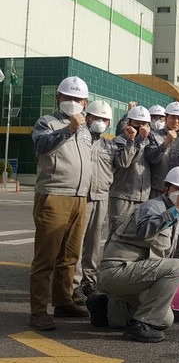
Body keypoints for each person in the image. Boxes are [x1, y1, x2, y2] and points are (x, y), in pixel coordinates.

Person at [87, 166, 179, 343]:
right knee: (178, 267)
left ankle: (105, 308)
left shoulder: (175, 214)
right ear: (166, 189)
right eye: (177, 188)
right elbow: (144, 231)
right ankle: (140, 326)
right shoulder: (153, 206)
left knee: (165, 319)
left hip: (137, 274)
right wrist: (176, 210)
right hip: (118, 271)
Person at [30, 76, 92, 330]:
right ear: (58, 97)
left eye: (79, 99)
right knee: (46, 256)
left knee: (70, 255)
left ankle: (64, 300)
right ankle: (38, 311)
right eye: (68, 98)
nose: (74, 103)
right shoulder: (47, 122)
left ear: (86, 102)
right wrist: (68, 130)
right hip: (54, 195)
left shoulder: (87, 128)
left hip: (79, 197)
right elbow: (41, 146)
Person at [72, 101, 120, 305]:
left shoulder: (110, 145)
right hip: (81, 196)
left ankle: (88, 282)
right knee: (76, 241)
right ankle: (73, 285)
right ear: (87, 117)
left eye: (104, 119)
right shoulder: (78, 139)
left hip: (101, 196)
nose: (100, 122)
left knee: (93, 243)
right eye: (96, 118)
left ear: (109, 123)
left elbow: (122, 164)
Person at [108, 105, 152, 238]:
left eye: (144, 124)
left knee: (135, 238)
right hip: (123, 196)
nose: (140, 127)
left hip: (143, 197)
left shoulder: (150, 142)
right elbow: (124, 162)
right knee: (117, 235)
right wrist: (136, 140)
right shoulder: (119, 140)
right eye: (136, 123)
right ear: (128, 123)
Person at [146, 101, 179, 198]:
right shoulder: (154, 135)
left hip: (177, 189)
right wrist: (166, 143)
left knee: (175, 213)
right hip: (157, 188)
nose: (176, 121)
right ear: (166, 118)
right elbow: (152, 159)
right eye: (172, 117)